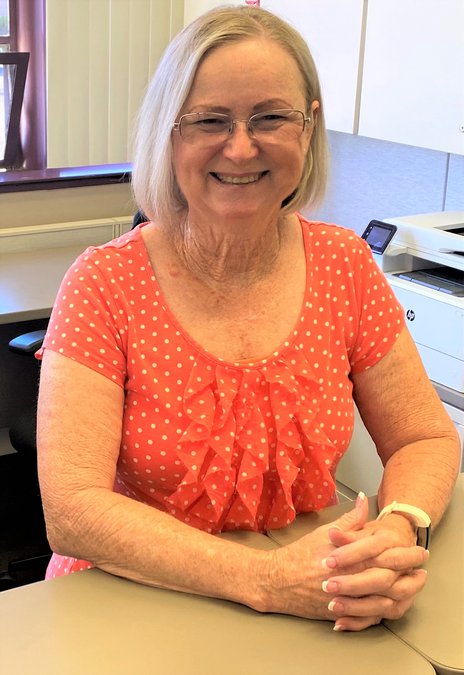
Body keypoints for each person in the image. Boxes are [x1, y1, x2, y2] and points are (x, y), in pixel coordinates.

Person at [36, 5, 460, 632]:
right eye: (209, 120)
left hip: (311, 603)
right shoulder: (104, 283)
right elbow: (73, 510)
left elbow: (423, 438)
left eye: (271, 117)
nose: (240, 147)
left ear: (308, 128)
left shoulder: (345, 264)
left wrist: (399, 529)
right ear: (169, 134)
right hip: (131, 604)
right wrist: (263, 580)